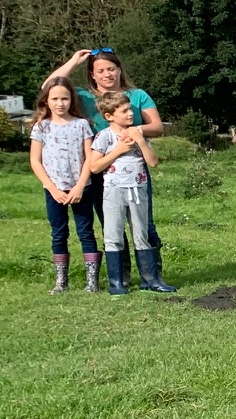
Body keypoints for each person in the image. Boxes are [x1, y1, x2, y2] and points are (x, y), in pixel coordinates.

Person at [44, 47, 169, 278]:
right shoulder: (82, 96)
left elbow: (157, 127)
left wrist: (133, 131)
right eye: (100, 70)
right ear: (92, 74)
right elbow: (50, 87)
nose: (107, 75)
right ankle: (120, 277)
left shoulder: (138, 95)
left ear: (119, 70)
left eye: (111, 69)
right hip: (99, 171)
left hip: (134, 169)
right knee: (112, 226)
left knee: (144, 224)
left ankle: (153, 276)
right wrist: (74, 61)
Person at [86, 91, 175, 295]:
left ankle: (150, 280)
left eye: (130, 110)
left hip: (138, 190)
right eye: (124, 111)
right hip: (113, 192)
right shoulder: (104, 137)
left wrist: (140, 141)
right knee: (113, 235)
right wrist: (117, 150)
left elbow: (153, 162)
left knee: (141, 234)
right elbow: (94, 167)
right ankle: (116, 283)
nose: (130, 114)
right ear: (109, 116)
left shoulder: (138, 133)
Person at [30, 76, 97, 292]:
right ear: (46, 101)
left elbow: (89, 157)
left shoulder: (82, 125)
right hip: (54, 190)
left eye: (65, 99)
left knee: (85, 232)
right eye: (55, 99)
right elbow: (35, 160)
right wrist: (52, 188)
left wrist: (79, 186)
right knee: (59, 233)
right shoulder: (42, 127)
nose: (60, 103)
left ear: (72, 100)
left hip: (81, 189)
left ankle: (92, 282)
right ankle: (61, 282)